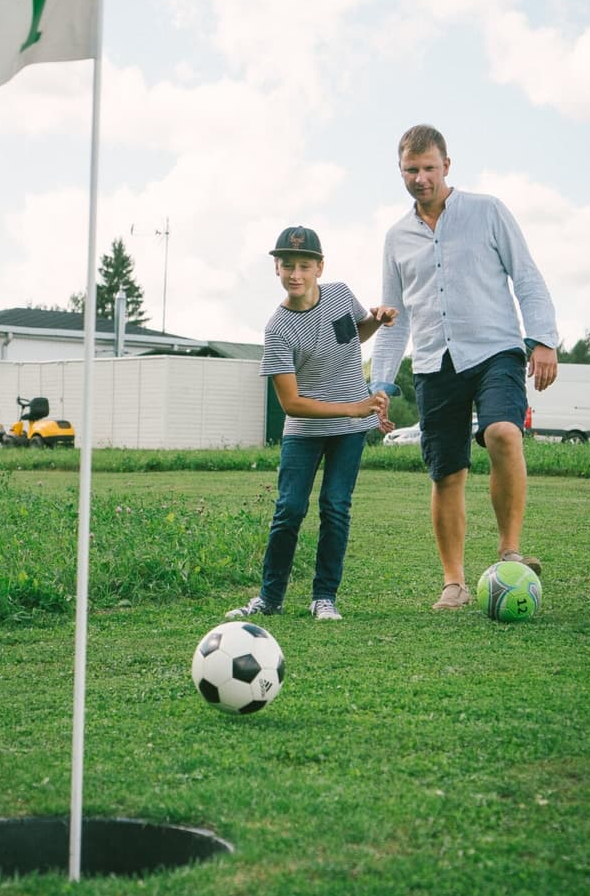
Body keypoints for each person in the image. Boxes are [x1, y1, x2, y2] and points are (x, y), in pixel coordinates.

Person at [371, 125, 558, 610]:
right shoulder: (396, 237)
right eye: (411, 170)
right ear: (400, 171)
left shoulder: (488, 211)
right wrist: (381, 383)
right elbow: (395, 317)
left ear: (447, 165)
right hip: (435, 363)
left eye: (429, 168)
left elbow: (528, 277)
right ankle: (453, 582)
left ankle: (509, 553)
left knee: (503, 433)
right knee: (447, 473)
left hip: (496, 349)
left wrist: (543, 341)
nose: (420, 178)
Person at [227, 226, 397, 622]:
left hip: (349, 434)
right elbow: (291, 404)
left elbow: (355, 333)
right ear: (276, 269)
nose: (296, 274)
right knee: (289, 509)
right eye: (288, 266)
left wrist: (377, 318)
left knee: (335, 507)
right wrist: (353, 409)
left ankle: (324, 598)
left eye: (304, 265)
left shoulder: (339, 295)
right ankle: (270, 599)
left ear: (320, 267)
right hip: (305, 433)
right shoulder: (278, 328)